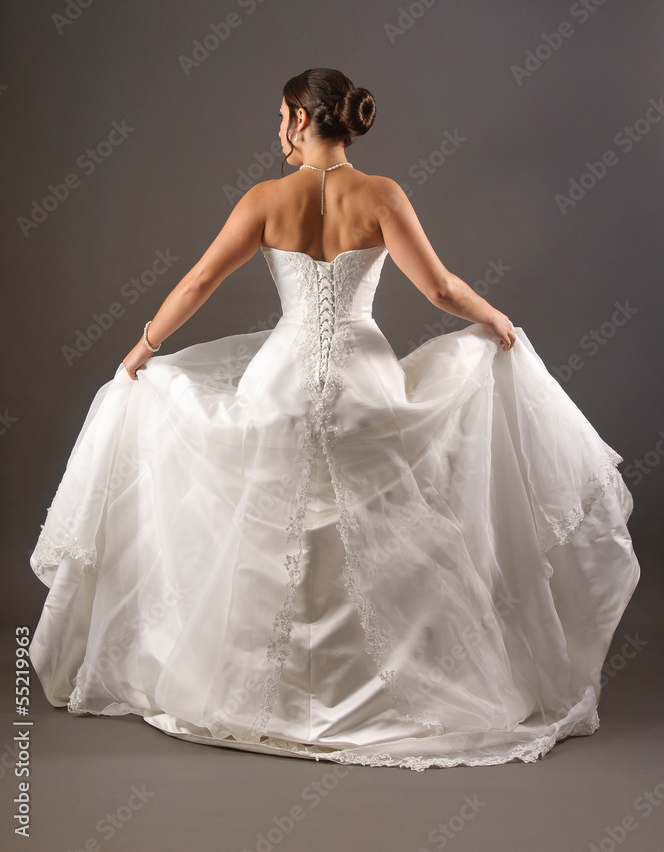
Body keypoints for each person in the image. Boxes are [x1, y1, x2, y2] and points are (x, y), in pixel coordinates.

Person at [29, 68, 639, 771]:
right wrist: (494, 318)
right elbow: (440, 288)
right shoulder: (381, 195)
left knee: (273, 523)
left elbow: (198, 282)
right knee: (381, 525)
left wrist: (143, 348)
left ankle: (264, 694)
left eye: (279, 116)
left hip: (282, 383)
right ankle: (383, 693)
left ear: (300, 117)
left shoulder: (265, 199)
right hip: (364, 382)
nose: (276, 129)